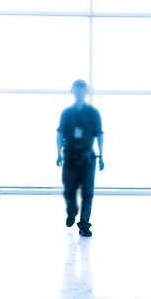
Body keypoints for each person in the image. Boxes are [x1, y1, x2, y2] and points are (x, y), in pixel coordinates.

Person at [56, 79, 104, 237]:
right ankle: (71, 211)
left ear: (86, 92)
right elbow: (60, 134)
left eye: (82, 89)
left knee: (88, 193)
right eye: (76, 89)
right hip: (70, 156)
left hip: (88, 158)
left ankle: (84, 225)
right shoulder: (67, 113)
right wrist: (58, 154)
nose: (79, 92)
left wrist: (102, 155)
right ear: (73, 91)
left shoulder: (93, 113)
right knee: (69, 190)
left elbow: (99, 135)